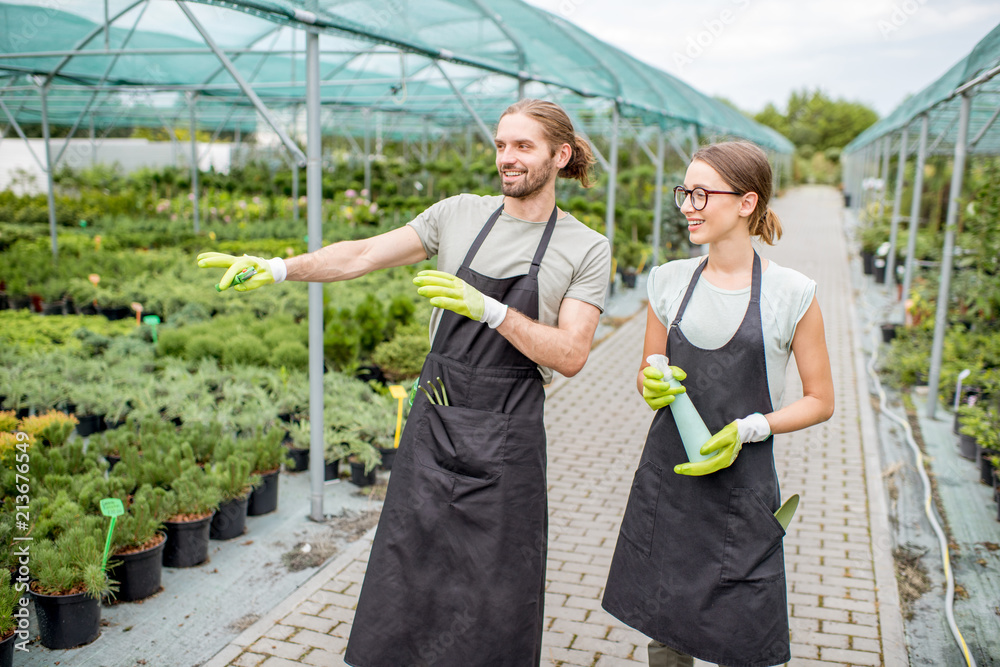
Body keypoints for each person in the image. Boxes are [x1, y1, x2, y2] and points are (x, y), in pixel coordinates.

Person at [197, 98, 611, 666]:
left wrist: (491, 311)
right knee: (409, 566)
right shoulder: (461, 214)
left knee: (497, 581)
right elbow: (362, 254)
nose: (506, 158)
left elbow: (571, 353)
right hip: (437, 421)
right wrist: (277, 268)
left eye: (522, 146)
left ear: (560, 155)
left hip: (508, 435)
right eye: (499, 144)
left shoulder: (585, 247)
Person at [601, 141, 835, 667]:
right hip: (672, 480)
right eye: (685, 191)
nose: (687, 204)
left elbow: (821, 401)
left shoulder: (792, 294)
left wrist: (752, 426)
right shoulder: (668, 282)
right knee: (666, 631)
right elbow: (648, 373)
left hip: (742, 489)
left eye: (702, 193)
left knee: (747, 632)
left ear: (747, 203)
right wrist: (652, 385)